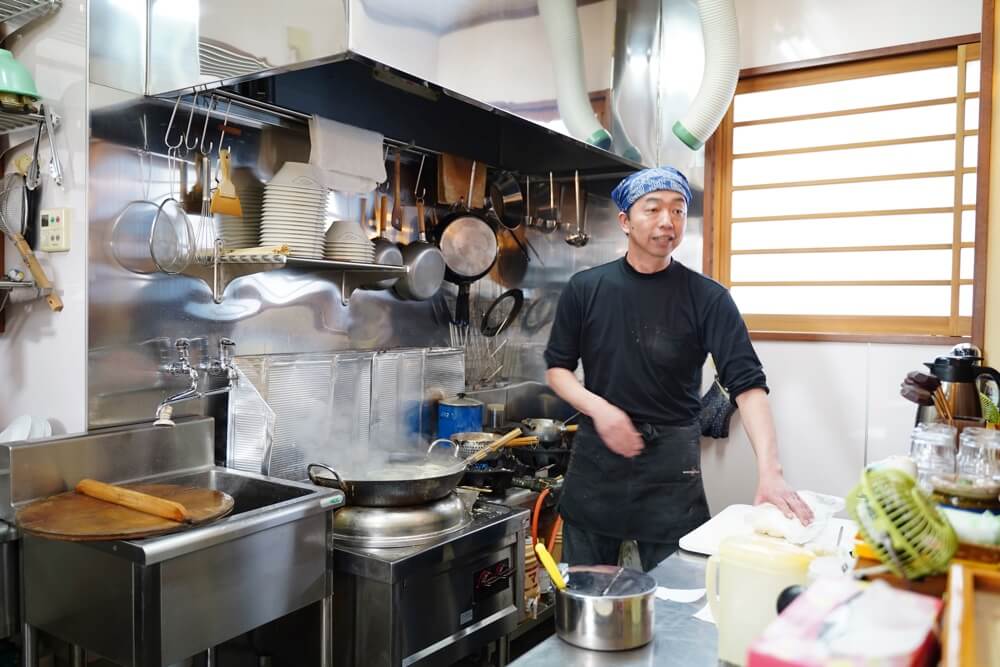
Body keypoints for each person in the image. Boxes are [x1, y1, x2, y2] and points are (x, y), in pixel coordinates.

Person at [544, 166, 813, 572]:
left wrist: (770, 471)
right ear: (624, 221)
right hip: (599, 459)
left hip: (672, 466)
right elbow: (558, 370)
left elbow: (748, 384)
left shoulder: (709, 298)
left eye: (678, 210)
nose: (667, 222)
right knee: (587, 593)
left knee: (677, 591)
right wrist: (601, 409)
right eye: (652, 209)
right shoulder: (586, 288)